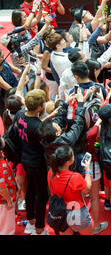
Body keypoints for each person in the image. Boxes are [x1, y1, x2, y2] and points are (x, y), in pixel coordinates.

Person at [15, 89, 49, 235]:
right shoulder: (38, 126)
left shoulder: (19, 114)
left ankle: (31, 220)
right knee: (42, 194)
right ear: (40, 108)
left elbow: (32, 126)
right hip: (37, 163)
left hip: (25, 159)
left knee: (30, 190)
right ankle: (40, 228)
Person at [47, 145, 93, 235]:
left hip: (59, 212)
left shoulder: (50, 172)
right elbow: (87, 189)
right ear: (68, 162)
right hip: (75, 212)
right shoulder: (75, 177)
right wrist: (87, 170)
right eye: (72, 155)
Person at [0, 140, 17, 235]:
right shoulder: (1, 165)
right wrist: (9, 201)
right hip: (4, 201)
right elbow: (2, 188)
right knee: (7, 230)